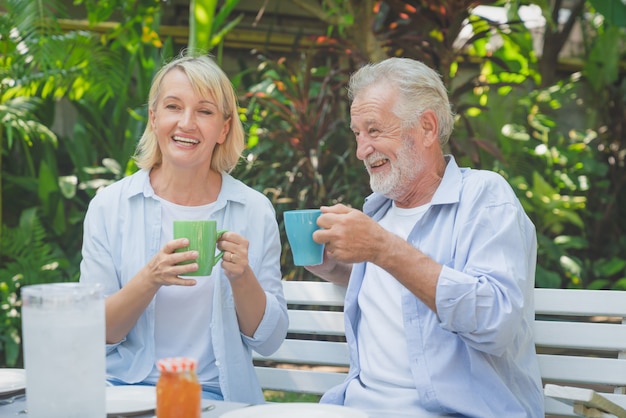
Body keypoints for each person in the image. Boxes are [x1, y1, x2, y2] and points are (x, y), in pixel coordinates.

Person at [306, 57, 544, 417]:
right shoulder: (379, 211)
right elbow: (398, 297)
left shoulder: (484, 197)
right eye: (358, 134)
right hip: (357, 406)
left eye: (374, 130)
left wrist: (382, 248)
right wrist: (334, 267)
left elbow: (495, 321)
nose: (361, 150)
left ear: (428, 127)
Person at [79, 53, 288, 404]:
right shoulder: (110, 206)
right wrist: (151, 277)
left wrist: (242, 278)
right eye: (173, 107)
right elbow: (96, 332)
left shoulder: (253, 209)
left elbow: (268, 341)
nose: (186, 123)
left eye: (204, 111)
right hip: (124, 393)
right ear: (154, 117)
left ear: (224, 128)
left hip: (220, 397)